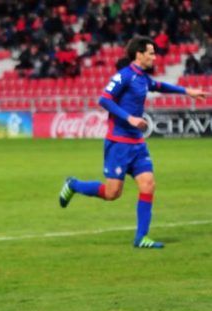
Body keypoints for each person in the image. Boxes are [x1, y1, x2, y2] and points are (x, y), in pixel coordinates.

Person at [59, 36, 208, 248]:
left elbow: (159, 86)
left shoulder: (143, 78)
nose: (154, 57)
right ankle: (73, 185)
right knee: (113, 193)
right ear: (139, 55)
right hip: (118, 143)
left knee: (148, 184)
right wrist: (129, 118)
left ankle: (141, 237)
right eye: (151, 53)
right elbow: (104, 99)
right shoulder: (124, 76)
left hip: (137, 143)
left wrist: (187, 92)